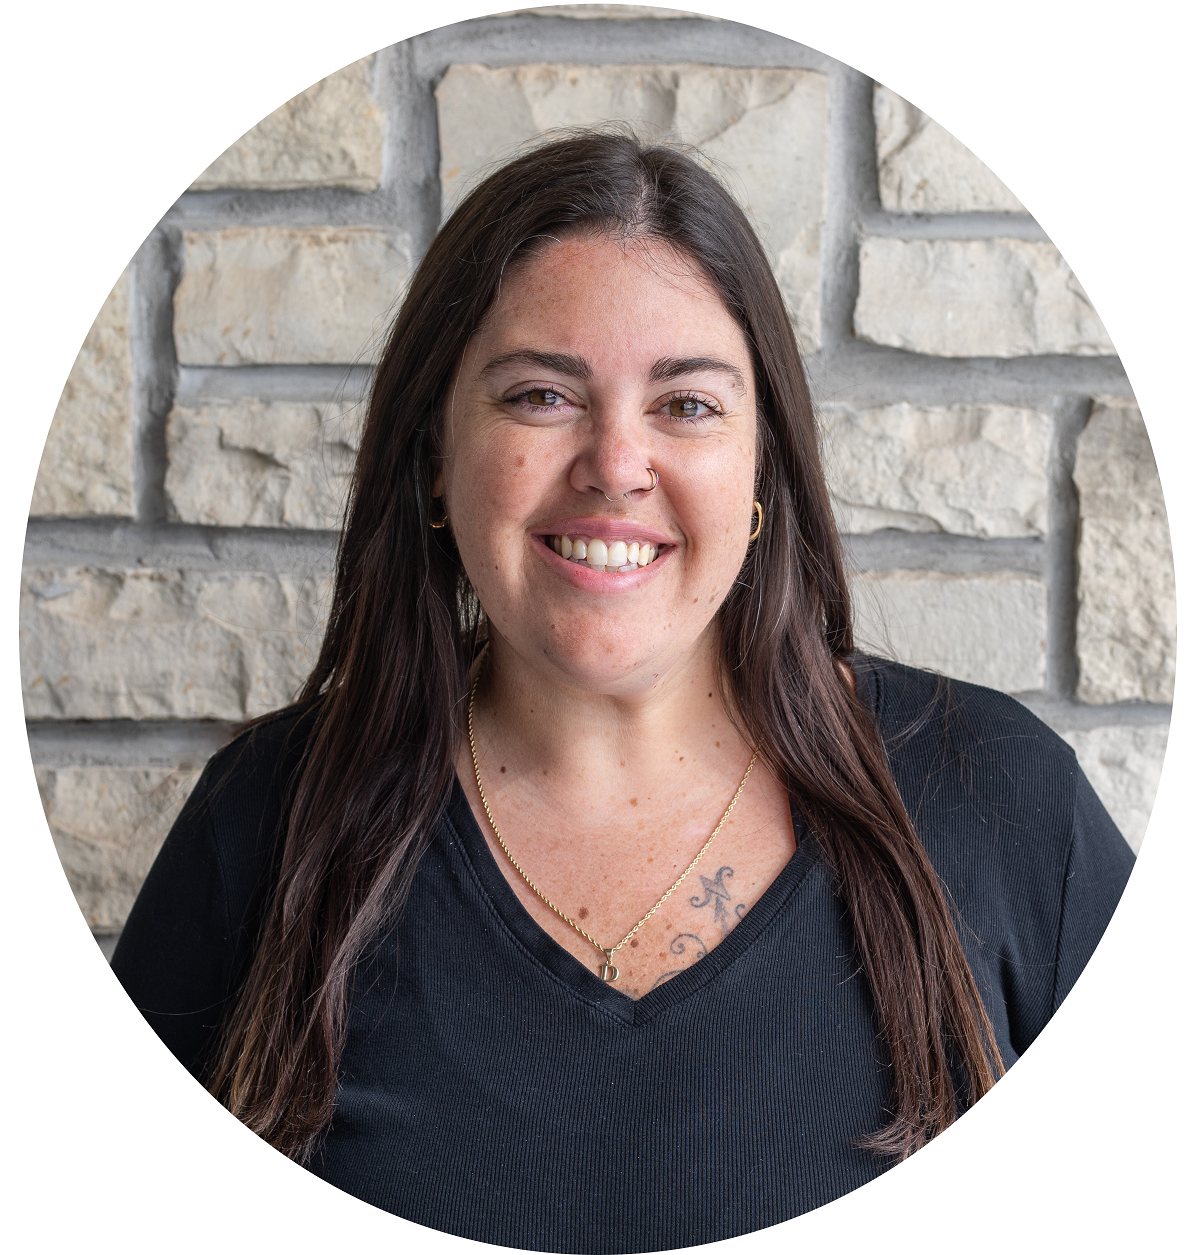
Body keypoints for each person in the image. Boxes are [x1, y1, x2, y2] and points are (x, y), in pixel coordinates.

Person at [112, 130, 1134, 1252]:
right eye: (542, 395)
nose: (615, 462)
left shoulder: (999, 801)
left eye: (687, 405)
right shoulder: (260, 827)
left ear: (762, 472)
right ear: (435, 464)